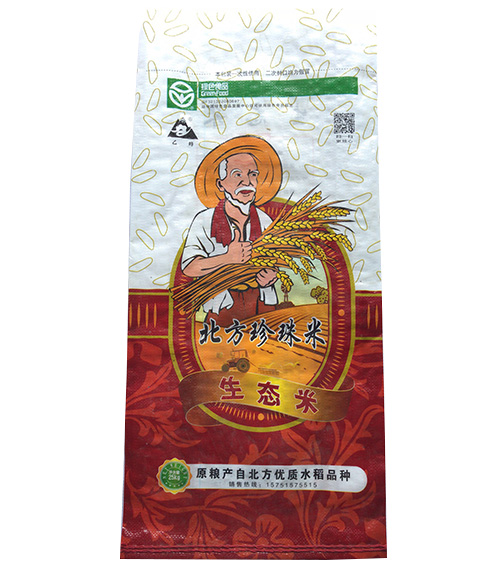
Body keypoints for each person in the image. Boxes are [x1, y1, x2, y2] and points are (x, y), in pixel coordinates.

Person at [181, 136, 282, 326]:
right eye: (237, 175)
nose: (247, 182)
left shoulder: (265, 221)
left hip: (261, 303)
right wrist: (228, 258)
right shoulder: (204, 220)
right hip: (222, 304)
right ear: (221, 184)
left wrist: (271, 275)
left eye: (252, 174)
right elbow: (189, 267)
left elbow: (275, 262)